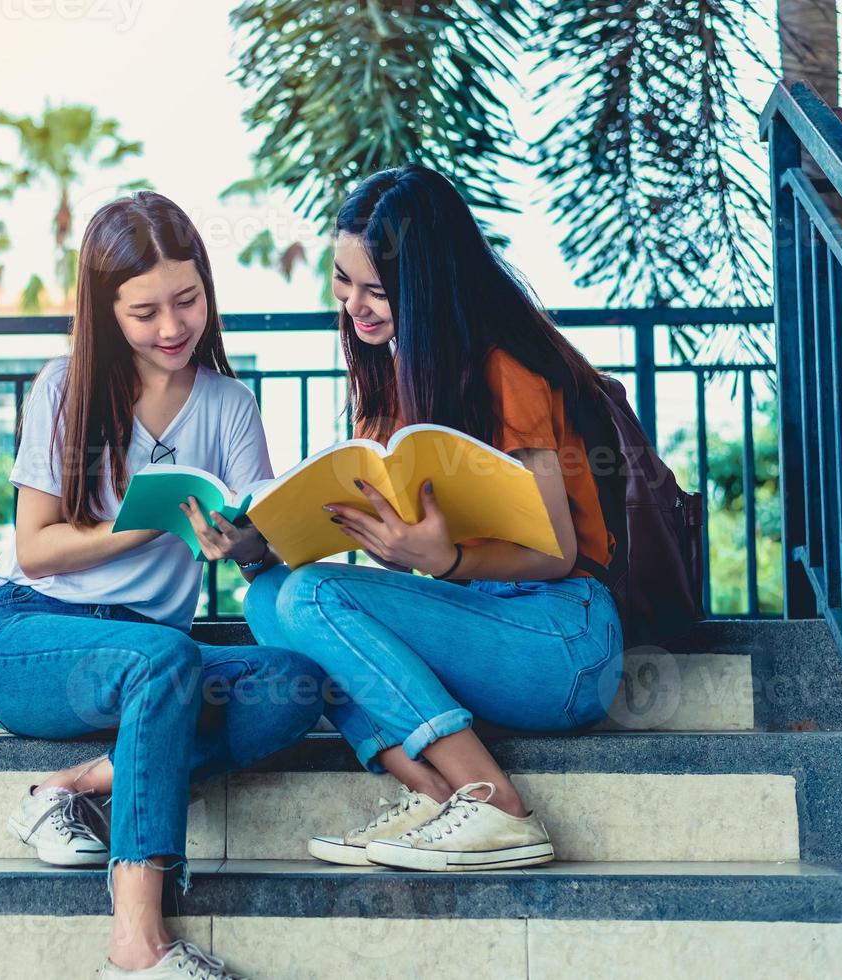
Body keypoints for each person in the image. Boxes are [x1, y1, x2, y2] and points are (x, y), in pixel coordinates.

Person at [0, 191, 323, 979]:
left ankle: (70, 788)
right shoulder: (63, 387)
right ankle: (136, 945)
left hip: (151, 657)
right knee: (167, 659)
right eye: (144, 312)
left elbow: (258, 547)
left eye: (188, 300)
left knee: (296, 683)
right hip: (33, 636)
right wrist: (152, 522)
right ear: (107, 312)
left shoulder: (230, 405)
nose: (172, 328)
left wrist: (245, 540)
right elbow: (35, 549)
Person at [245, 163, 626, 872]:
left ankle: (497, 806)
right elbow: (395, 552)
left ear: (425, 286)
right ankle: (435, 794)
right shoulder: (391, 382)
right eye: (343, 282)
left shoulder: (507, 372)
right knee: (269, 594)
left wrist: (443, 559)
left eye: (378, 291)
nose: (356, 306)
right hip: (475, 623)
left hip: (562, 634)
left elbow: (558, 554)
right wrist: (258, 540)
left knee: (314, 594)